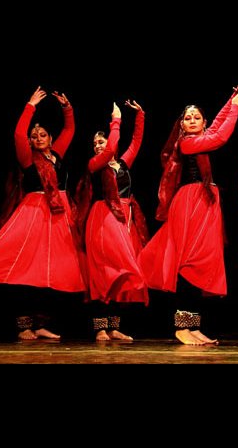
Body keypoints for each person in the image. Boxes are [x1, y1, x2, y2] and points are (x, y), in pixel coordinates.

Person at [0, 86, 86, 341]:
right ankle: (24, 325)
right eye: (34, 136)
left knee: (51, 273)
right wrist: (30, 106)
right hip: (34, 213)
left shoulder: (57, 155)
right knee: (25, 270)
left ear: (51, 138)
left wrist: (67, 108)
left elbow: (70, 130)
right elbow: (18, 134)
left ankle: (41, 324)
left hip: (59, 216)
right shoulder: (28, 159)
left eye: (43, 135)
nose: (38, 138)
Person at [138, 85, 238, 345]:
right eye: (188, 118)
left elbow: (217, 127)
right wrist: (237, 106)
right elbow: (221, 136)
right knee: (188, 262)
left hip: (206, 201)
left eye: (197, 117)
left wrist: (231, 99)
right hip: (190, 202)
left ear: (203, 122)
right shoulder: (186, 143)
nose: (193, 120)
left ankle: (193, 325)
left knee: (203, 263)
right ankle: (181, 327)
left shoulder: (202, 137)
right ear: (182, 125)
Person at [74, 100, 149, 341]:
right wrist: (115, 121)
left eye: (101, 141)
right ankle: (100, 328)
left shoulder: (123, 163)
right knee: (103, 273)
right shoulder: (95, 164)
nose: (98, 146)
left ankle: (114, 326)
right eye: (95, 143)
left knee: (120, 275)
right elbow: (109, 151)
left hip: (125, 220)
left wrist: (140, 115)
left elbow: (136, 142)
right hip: (103, 217)